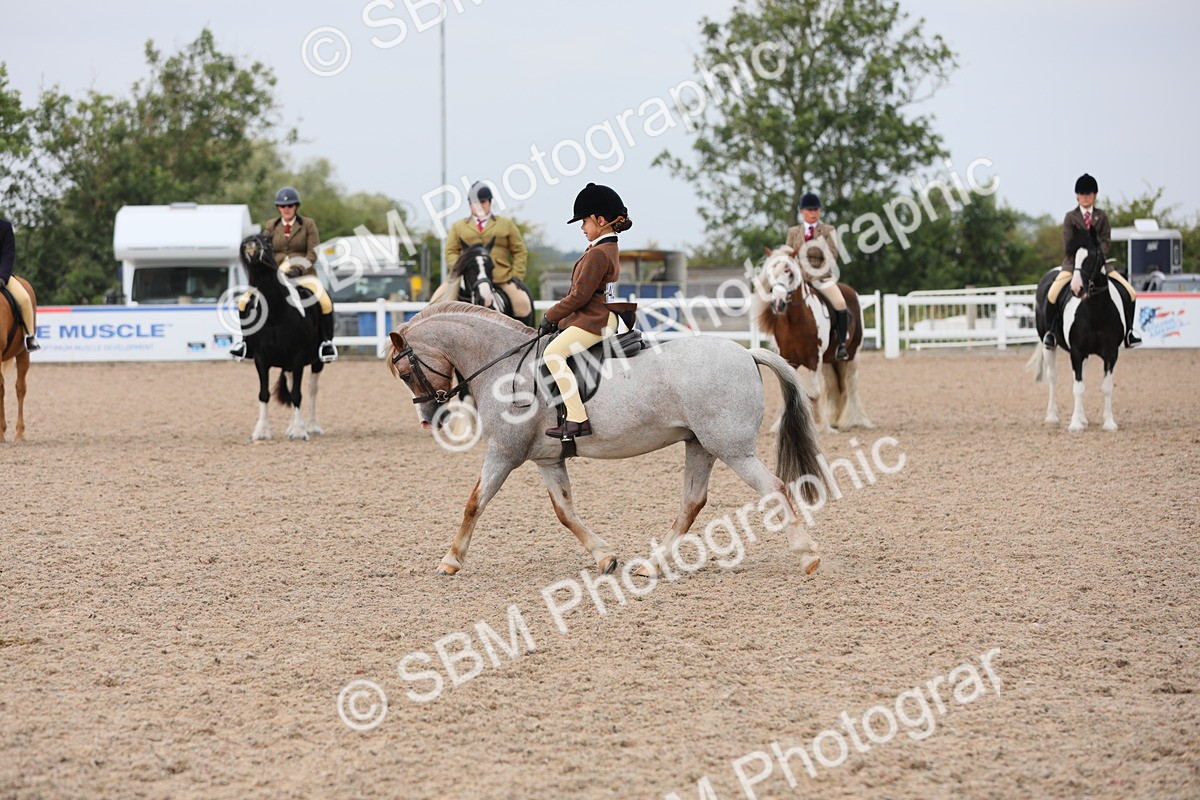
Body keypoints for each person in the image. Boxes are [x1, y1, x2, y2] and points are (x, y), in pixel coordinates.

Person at [539, 183, 632, 439]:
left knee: (553, 354)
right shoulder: (604, 248)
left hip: (595, 320)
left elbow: (579, 296)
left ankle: (577, 419)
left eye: (584, 222)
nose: (582, 228)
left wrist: (551, 316)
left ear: (600, 220)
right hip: (597, 316)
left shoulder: (598, 254)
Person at [230, 187, 337, 362]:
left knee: (324, 301)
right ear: (278, 208)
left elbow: (313, 252)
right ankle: (246, 343)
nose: (286, 209)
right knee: (243, 302)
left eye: (289, 205)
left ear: (296, 207)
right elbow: (263, 248)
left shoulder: (308, 224)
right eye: (282, 206)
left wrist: (299, 268)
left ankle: (326, 343)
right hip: (277, 275)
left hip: (303, 275)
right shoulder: (271, 225)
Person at [1043, 174, 1141, 349]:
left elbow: (1106, 241)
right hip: (1073, 266)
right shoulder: (1070, 218)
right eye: (1082, 194)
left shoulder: (1102, 217)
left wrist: (1094, 256)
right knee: (1052, 295)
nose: (1085, 197)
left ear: (1095, 195)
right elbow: (1068, 244)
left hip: (1100, 265)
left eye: (1089, 194)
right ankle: (1051, 333)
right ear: (1077, 196)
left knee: (1131, 292)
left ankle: (1129, 333)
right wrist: (1083, 257)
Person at [444, 182, 531, 319]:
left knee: (523, 306)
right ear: (469, 204)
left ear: (489, 203)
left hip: (500, 276)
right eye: (475, 202)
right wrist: (460, 268)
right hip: (467, 277)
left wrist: (516, 275)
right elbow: (450, 251)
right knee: (436, 303)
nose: (479, 206)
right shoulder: (458, 226)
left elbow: (519, 250)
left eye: (482, 202)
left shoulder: (506, 224)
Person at [786, 192, 849, 360]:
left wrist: (811, 274)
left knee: (841, 303)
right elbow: (789, 255)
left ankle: (842, 344)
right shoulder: (793, 232)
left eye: (816, 210)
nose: (814, 213)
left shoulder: (828, 230)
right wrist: (791, 270)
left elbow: (831, 256)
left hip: (821, 278)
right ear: (802, 212)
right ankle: (781, 342)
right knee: (779, 299)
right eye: (810, 210)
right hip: (798, 279)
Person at [0, 217, 39, 351]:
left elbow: (8, 254)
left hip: (2, 276)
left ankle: (29, 336)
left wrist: (2, 277)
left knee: (24, 298)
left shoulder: (4, 227)